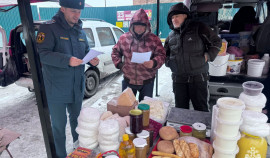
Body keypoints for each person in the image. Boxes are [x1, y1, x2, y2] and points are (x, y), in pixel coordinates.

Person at [36, 0, 99, 157]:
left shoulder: (80, 30)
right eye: (73, 11)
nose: (77, 15)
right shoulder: (48, 28)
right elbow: (43, 54)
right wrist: (67, 60)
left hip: (77, 87)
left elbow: (85, 50)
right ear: (62, 8)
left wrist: (91, 59)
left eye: (79, 12)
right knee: (59, 127)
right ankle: (60, 155)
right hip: (56, 88)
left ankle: (80, 152)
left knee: (78, 124)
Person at [164, 3, 222, 112]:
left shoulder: (199, 28)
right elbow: (164, 54)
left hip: (198, 79)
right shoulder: (170, 36)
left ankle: (201, 129)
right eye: (172, 17)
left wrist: (208, 55)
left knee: (201, 110)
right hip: (178, 80)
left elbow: (217, 41)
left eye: (177, 16)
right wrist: (169, 62)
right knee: (180, 110)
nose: (174, 19)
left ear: (185, 16)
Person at [111, 8, 166, 101]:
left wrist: (153, 62)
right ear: (132, 25)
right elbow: (115, 52)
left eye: (142, 26)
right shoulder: (124, 38)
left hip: (147, 82)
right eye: (137, 26)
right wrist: (120, 65)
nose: (139, 28)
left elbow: (162, 55)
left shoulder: (154, 39)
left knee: (144, 110)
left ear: (146, 26)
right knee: (127, 109)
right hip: (128, 81)